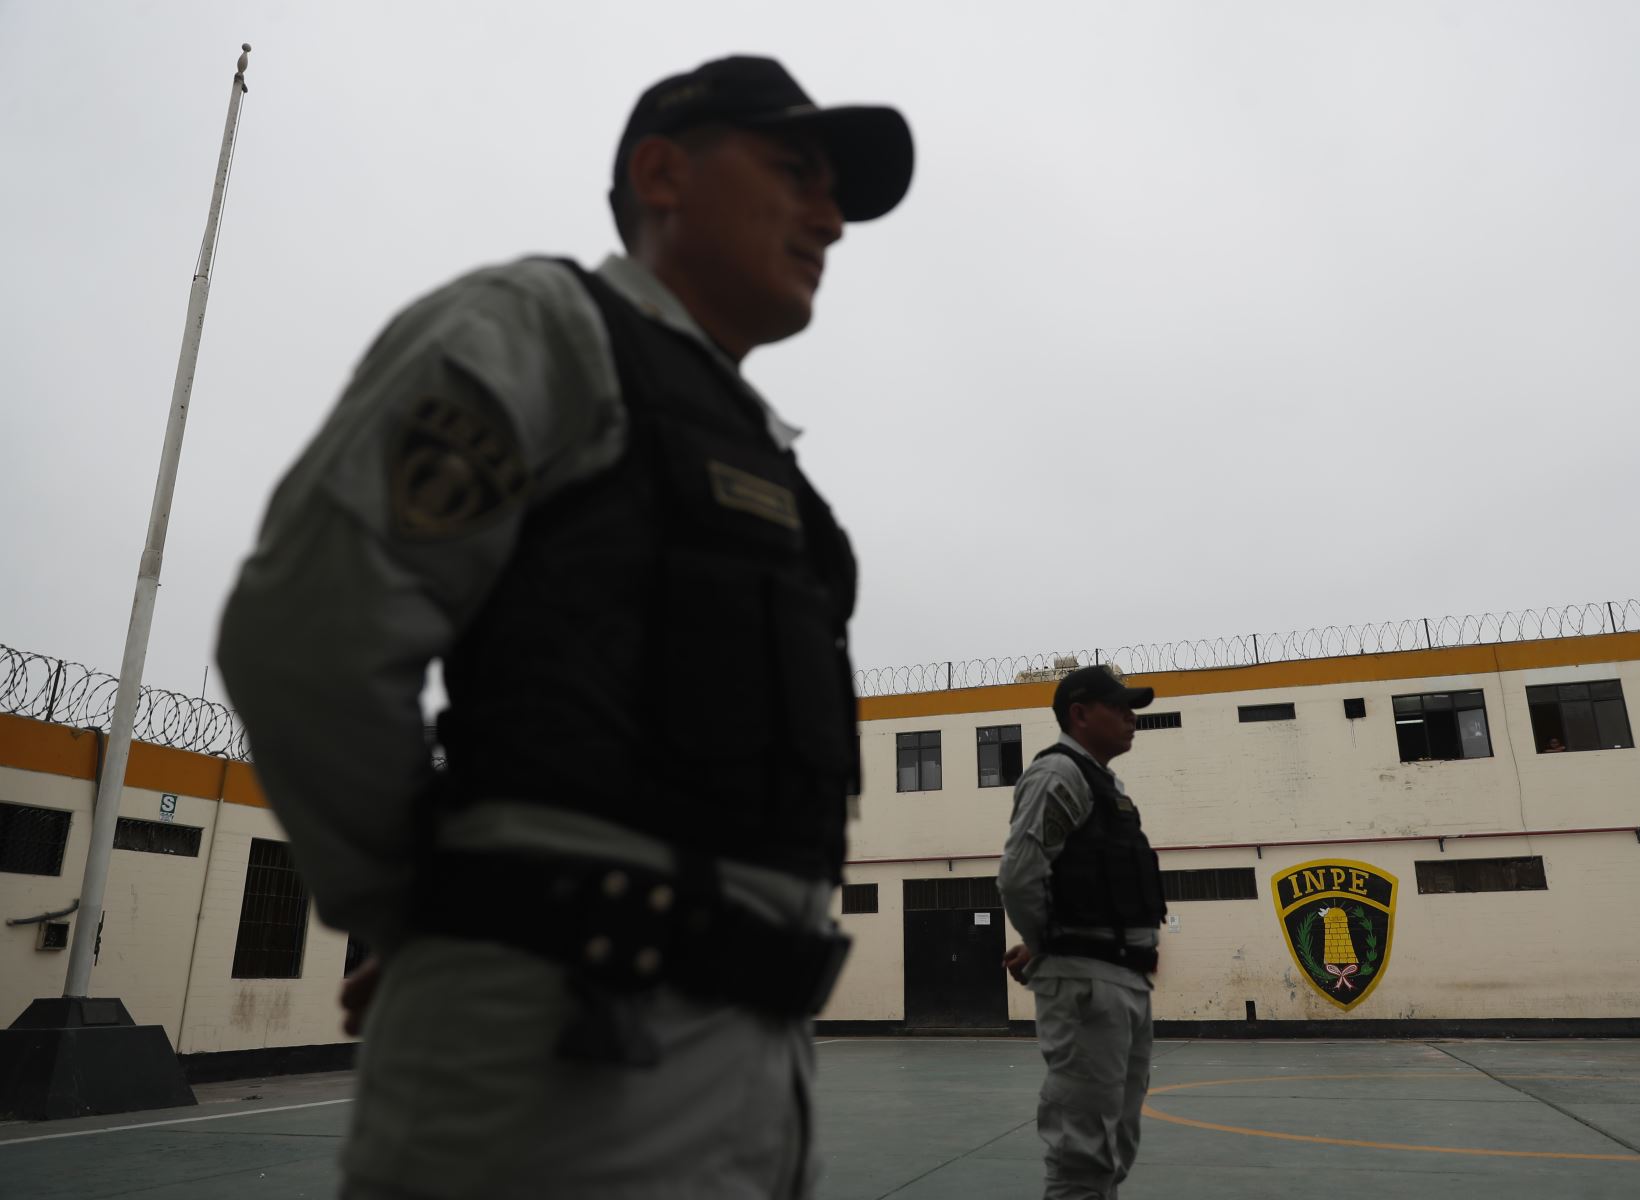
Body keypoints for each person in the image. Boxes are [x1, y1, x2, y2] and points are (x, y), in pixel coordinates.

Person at [216, 55, 912, 1200]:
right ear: (663, 174)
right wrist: (429, 912)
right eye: (797, 172)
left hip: (752, 1061)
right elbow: (311, 632)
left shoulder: (755, 444)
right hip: (564, 1066)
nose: (832, 220)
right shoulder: (543, 331)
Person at [998, 666, 1167, 1200]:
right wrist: (1048, 945)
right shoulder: (1060, 775)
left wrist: (1047, 939)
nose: (1131, 717)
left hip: (1121, 980)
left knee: (1113, 1148)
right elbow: (1020, 875)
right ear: (1079, 714)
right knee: (1083, 1155)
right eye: (1118, 706)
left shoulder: (1104, 785)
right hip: (1089, 986)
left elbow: (1080, 881)